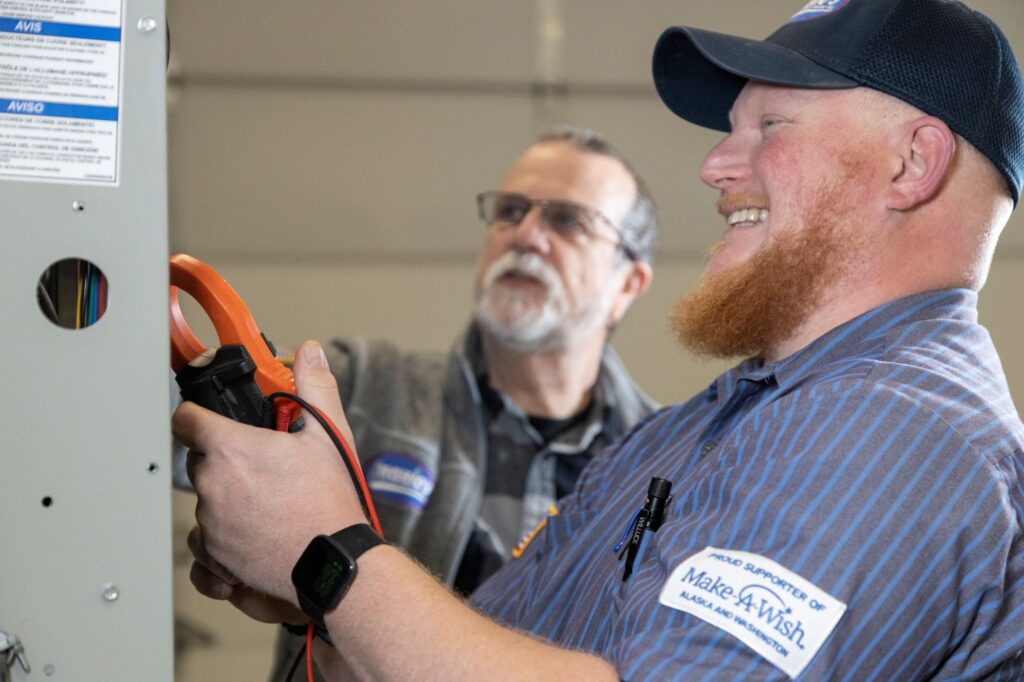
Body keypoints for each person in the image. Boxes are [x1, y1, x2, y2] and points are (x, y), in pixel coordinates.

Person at [177, 0, 1024, 679]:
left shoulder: (894, 436)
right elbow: (486, 644)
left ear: (914, 164)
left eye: (771, 127)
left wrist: (330, 556)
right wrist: (313, 580)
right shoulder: (707, 424)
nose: (715, 166)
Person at [263, 126, 657, 678]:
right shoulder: (358, 389)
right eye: (511, 211)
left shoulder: (672, 465)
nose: (526, 235)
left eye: (567, 220)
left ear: (628, 285)